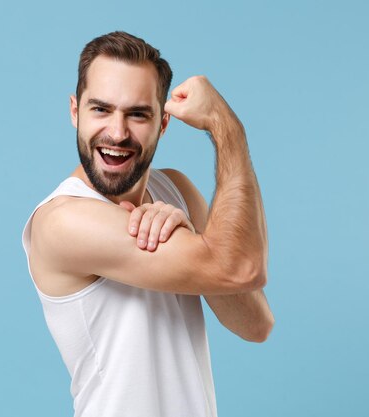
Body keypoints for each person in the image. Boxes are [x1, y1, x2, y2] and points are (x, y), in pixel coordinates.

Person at [22, 31, 274, 417]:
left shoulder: (176, 190)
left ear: (164, 123)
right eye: (100, 109)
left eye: (137, 114)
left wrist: (189, 239)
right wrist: (228, 129)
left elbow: (255, 323)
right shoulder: (63, 222)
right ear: (75, 111)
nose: (117, 133)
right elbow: (241, 267)